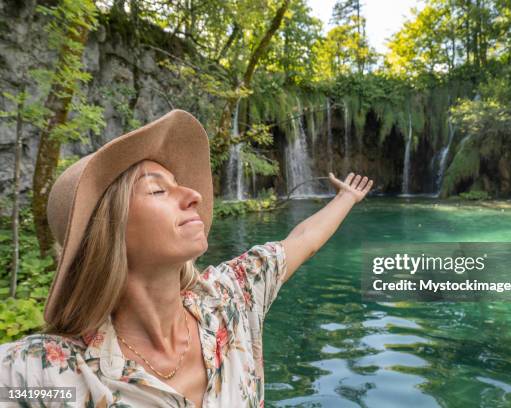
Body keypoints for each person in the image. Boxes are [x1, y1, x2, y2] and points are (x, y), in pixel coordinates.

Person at [0, 110, 373, 407]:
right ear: (108, 229)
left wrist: (346, 198)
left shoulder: (232, 298)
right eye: (158, 190)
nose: (193, 194)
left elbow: (303, 239)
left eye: (181, 183)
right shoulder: (48, 374)